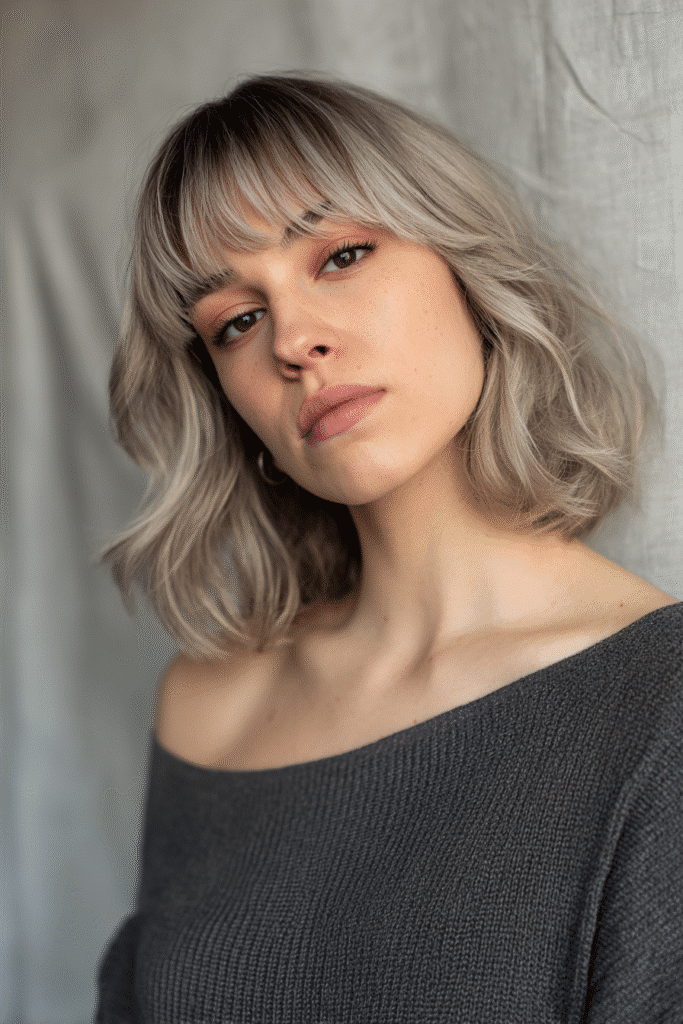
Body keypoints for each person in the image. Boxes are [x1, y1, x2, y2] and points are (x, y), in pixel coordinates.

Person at [95, 73, 682, 1021]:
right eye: (236, 321)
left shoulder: (659, 710)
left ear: (466, 267)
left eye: (341, 256)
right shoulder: (210, 707)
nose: (292, 341)